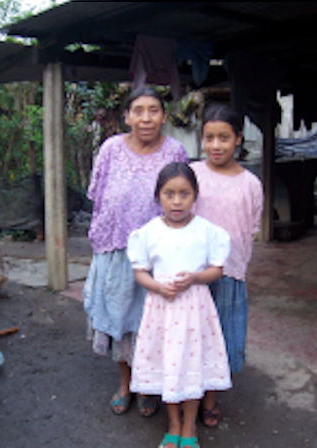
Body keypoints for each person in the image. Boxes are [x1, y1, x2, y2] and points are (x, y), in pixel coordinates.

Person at [83, 86, 188, 417]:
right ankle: (126, 384)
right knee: (121, 323)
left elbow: (182, 197)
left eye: (154, 110)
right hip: (116, 252)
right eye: (138, 110)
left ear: (164, 116)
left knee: (152, 325)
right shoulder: (111, 149)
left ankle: (149, 387)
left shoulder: (175, 151)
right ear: (127, 116)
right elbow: (98, 197)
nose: (146, 118)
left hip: (159, 256)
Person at [127, 162, 232, 448]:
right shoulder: (147, 233)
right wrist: (158, 286)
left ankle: (189, 428)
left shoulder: (207, 232)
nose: (176, 201)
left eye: (184, 194)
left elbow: (217, 270)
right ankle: (173, 425)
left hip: (195, 311)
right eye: (169, 193)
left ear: (195, 195)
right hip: (162, 310)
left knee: (192, 364)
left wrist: (196, 277)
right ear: (158, 196)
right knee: (168, 368)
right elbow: (140, 273)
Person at [190, 103, 264, 427]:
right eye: (209, 137)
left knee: (219, 335)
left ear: (238, 139)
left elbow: (249, 229)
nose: (216, 145)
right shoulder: (192, 173)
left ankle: (210, 398)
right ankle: (181, 393)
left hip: (230, 272)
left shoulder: (251, 184)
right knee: (191, 335)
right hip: (192, 272)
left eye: (224, 137)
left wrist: (238, 265)